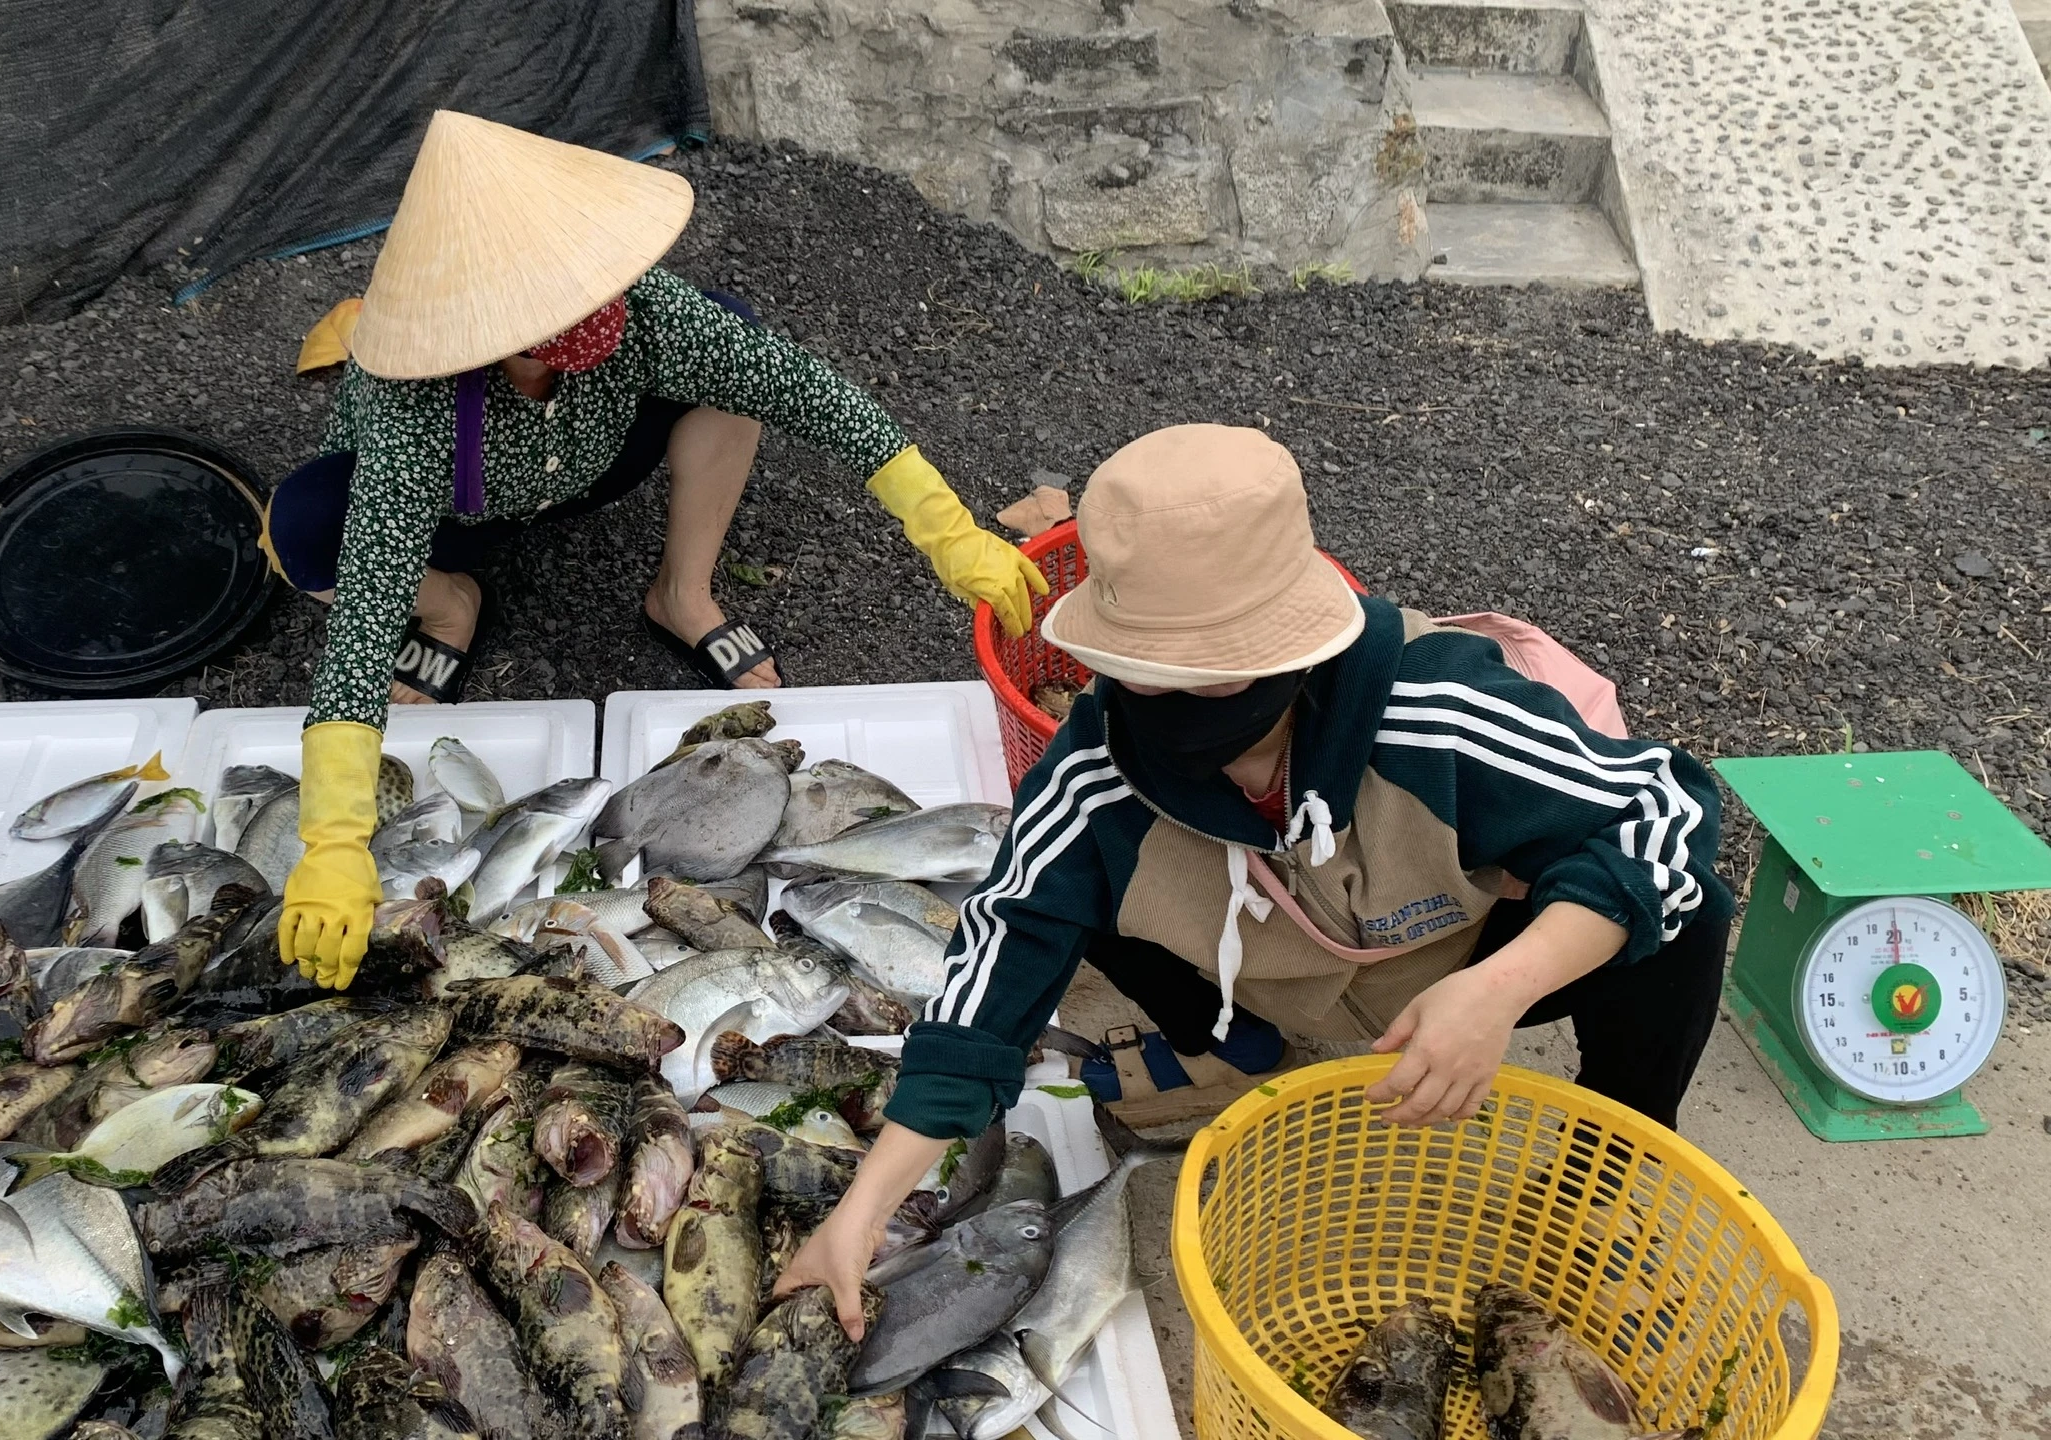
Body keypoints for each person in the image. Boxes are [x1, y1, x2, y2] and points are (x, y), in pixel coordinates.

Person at [775, 423, 1732, 1337]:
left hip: (1451, 941)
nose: (1186, 713)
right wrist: (864, 1209)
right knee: (1066, 893)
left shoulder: (1437, 707)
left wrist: (1495, 990)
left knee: (1680, 921)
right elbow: (1002, 951)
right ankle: (1234, 1042)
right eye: (1151, 676)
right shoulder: (1091, 769)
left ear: (1296, 649)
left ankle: (1608, 1168)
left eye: (1220, 679)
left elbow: (1665, 816)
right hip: (1274, 968)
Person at [267, 111, 1045, 985]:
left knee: (736, 347)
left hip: (594, 461)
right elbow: (367, 610)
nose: (600, 310)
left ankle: (684, 591)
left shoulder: (643, 318)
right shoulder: (415, 400)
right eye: (557, 305)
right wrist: (331, 837)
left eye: (594, 284)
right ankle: (450, 602)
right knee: (298, 527)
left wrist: (945, 525)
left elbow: (804, 390)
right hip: (454, 508)